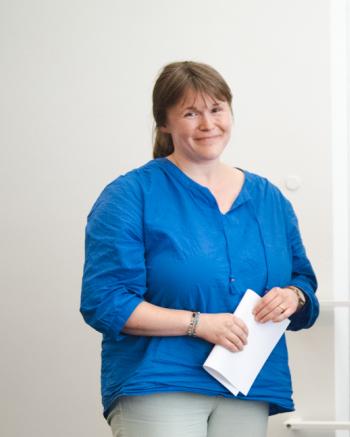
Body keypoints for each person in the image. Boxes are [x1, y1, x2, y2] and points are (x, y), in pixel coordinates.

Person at [80, 61, 320, 437]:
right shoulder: (130, 196)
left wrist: (294, 297)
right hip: (160, 381)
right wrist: (199, 324)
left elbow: (303, 282)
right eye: (191, 113)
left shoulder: (270, 200)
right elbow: (105, 301)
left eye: (216, 109)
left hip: (247, 385)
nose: (208, 124)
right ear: (165, 123)